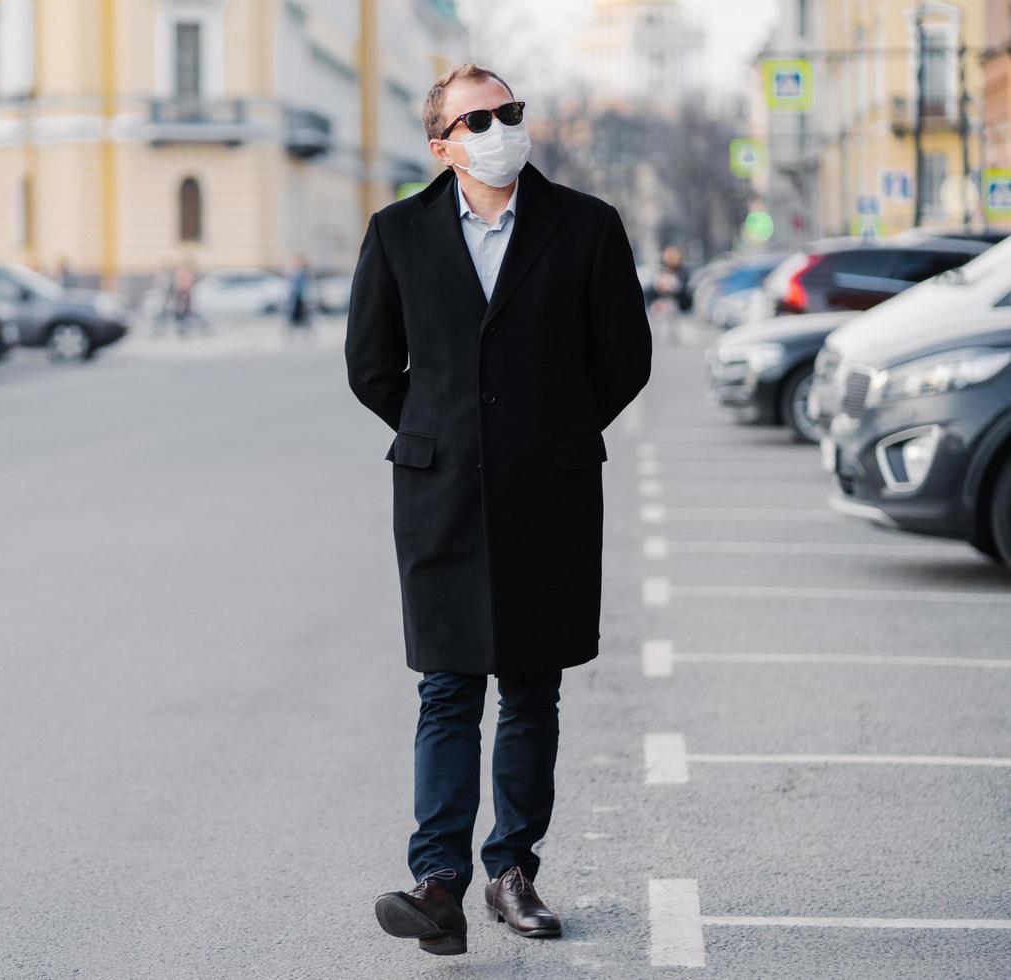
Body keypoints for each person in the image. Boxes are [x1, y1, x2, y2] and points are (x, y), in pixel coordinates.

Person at [345, 63, 651, 957]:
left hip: (547, 491)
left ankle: (512, 872)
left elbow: (623, 354)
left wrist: (551, 429)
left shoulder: (586, 226)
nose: (501, 128)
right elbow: (371, 365)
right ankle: (437, 882)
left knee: (530, 689)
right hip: (440, 495)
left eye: (510, 112)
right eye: (478, 118)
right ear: (441, 144)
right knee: (446, 690)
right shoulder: (398, 233)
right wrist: (441, 433)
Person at [644, 244, 691, 346]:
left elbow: (680, 288)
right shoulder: (660, 273)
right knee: (657, 319)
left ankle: (672, 337)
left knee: (672, 320)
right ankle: (655, 337)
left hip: (671, 300)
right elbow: (654, 286)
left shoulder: (679, 274)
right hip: (660, 300)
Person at [284, 253, 313, 339]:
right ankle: (289, 332)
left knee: (304, 316)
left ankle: (307, 331)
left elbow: (307, 286)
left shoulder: (304, 273)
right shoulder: (293, 273)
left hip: (301, 299)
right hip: (294, 298)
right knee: (292, 317)